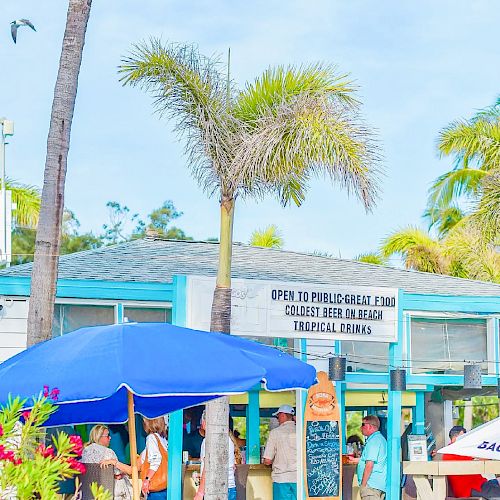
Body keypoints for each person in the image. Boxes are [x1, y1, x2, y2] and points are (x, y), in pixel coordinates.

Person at [101, 417, 168, 499]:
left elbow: (156, 460)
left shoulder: (151, 438)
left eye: (145, 421)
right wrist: (119, 468)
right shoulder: (162, 439)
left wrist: (147, 480)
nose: (144, 423)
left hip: (156, 490)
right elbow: (132, 469)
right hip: (164, 487)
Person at [440, 425, 500, 499]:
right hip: (472, 489)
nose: (466, 439)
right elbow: (483, 458)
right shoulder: (457, 451)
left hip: (479, 484)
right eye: (463, 437)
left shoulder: (452, 450)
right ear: (455, 438)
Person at [194, 411, 237, 500]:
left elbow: (208, 467)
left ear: (204, 422)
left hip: (214, 488)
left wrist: (200, 492)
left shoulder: (208, 440)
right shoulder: (228, 439)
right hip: (230, 487)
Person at [81, 425, 131, 499]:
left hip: (89, 492)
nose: (110, 438)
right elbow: (118, 472)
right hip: (109, 491)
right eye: (108, 436)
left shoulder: (84, 451)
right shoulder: (108, 452)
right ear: (99, 437)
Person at [348, 415, 387, 500]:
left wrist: (363, 484)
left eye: (362, 424)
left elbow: (369, 464)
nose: (360, 427)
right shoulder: (378, 439)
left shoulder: (374, 441)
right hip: (375, 485)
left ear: (369, 426)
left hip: (371, 485)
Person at [262, 404, 297, 500]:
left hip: (281, 479)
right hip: (299, 479)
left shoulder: (275, 433)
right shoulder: (302, 432)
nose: (278, 419)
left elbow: (267, 460)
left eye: (278, 416)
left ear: (282, 415)